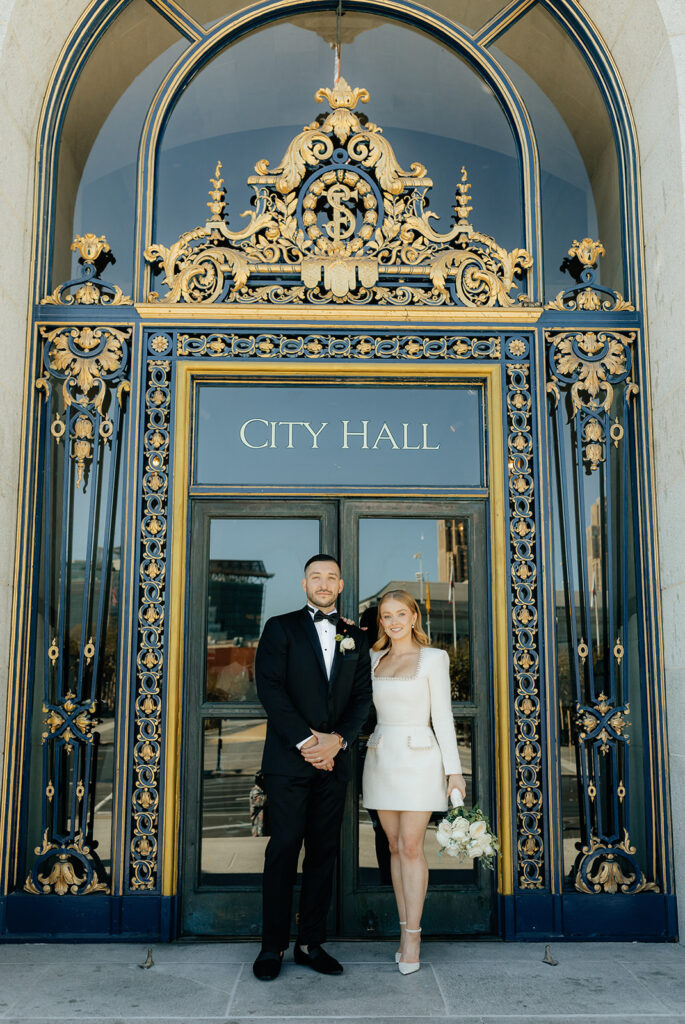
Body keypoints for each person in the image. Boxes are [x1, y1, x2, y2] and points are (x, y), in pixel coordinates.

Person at [252, 554, 372, 981]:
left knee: (323, 854)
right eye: (316, 577)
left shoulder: (355, 636)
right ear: (304, 583)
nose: (324, 583)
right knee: (282, 851)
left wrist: (336, 741)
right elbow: (270, 688)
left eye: (331, 578)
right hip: (289, 762)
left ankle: (310, 944)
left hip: (334, 763)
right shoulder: (280, 628)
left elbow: (362, 699)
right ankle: (272, 947)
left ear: (340, 586)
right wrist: (307, 742)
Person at [361, 589, 466, 975]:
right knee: (391, 845)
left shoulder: (435, 658)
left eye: (400, 613)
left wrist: (454, 770)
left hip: (421, 758)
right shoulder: (372, 657)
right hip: (381, 756)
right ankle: (403, 928)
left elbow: (443, 717)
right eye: (387, 615)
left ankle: (413, 937)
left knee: (410, 845)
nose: (393, 621)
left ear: (414, 616)